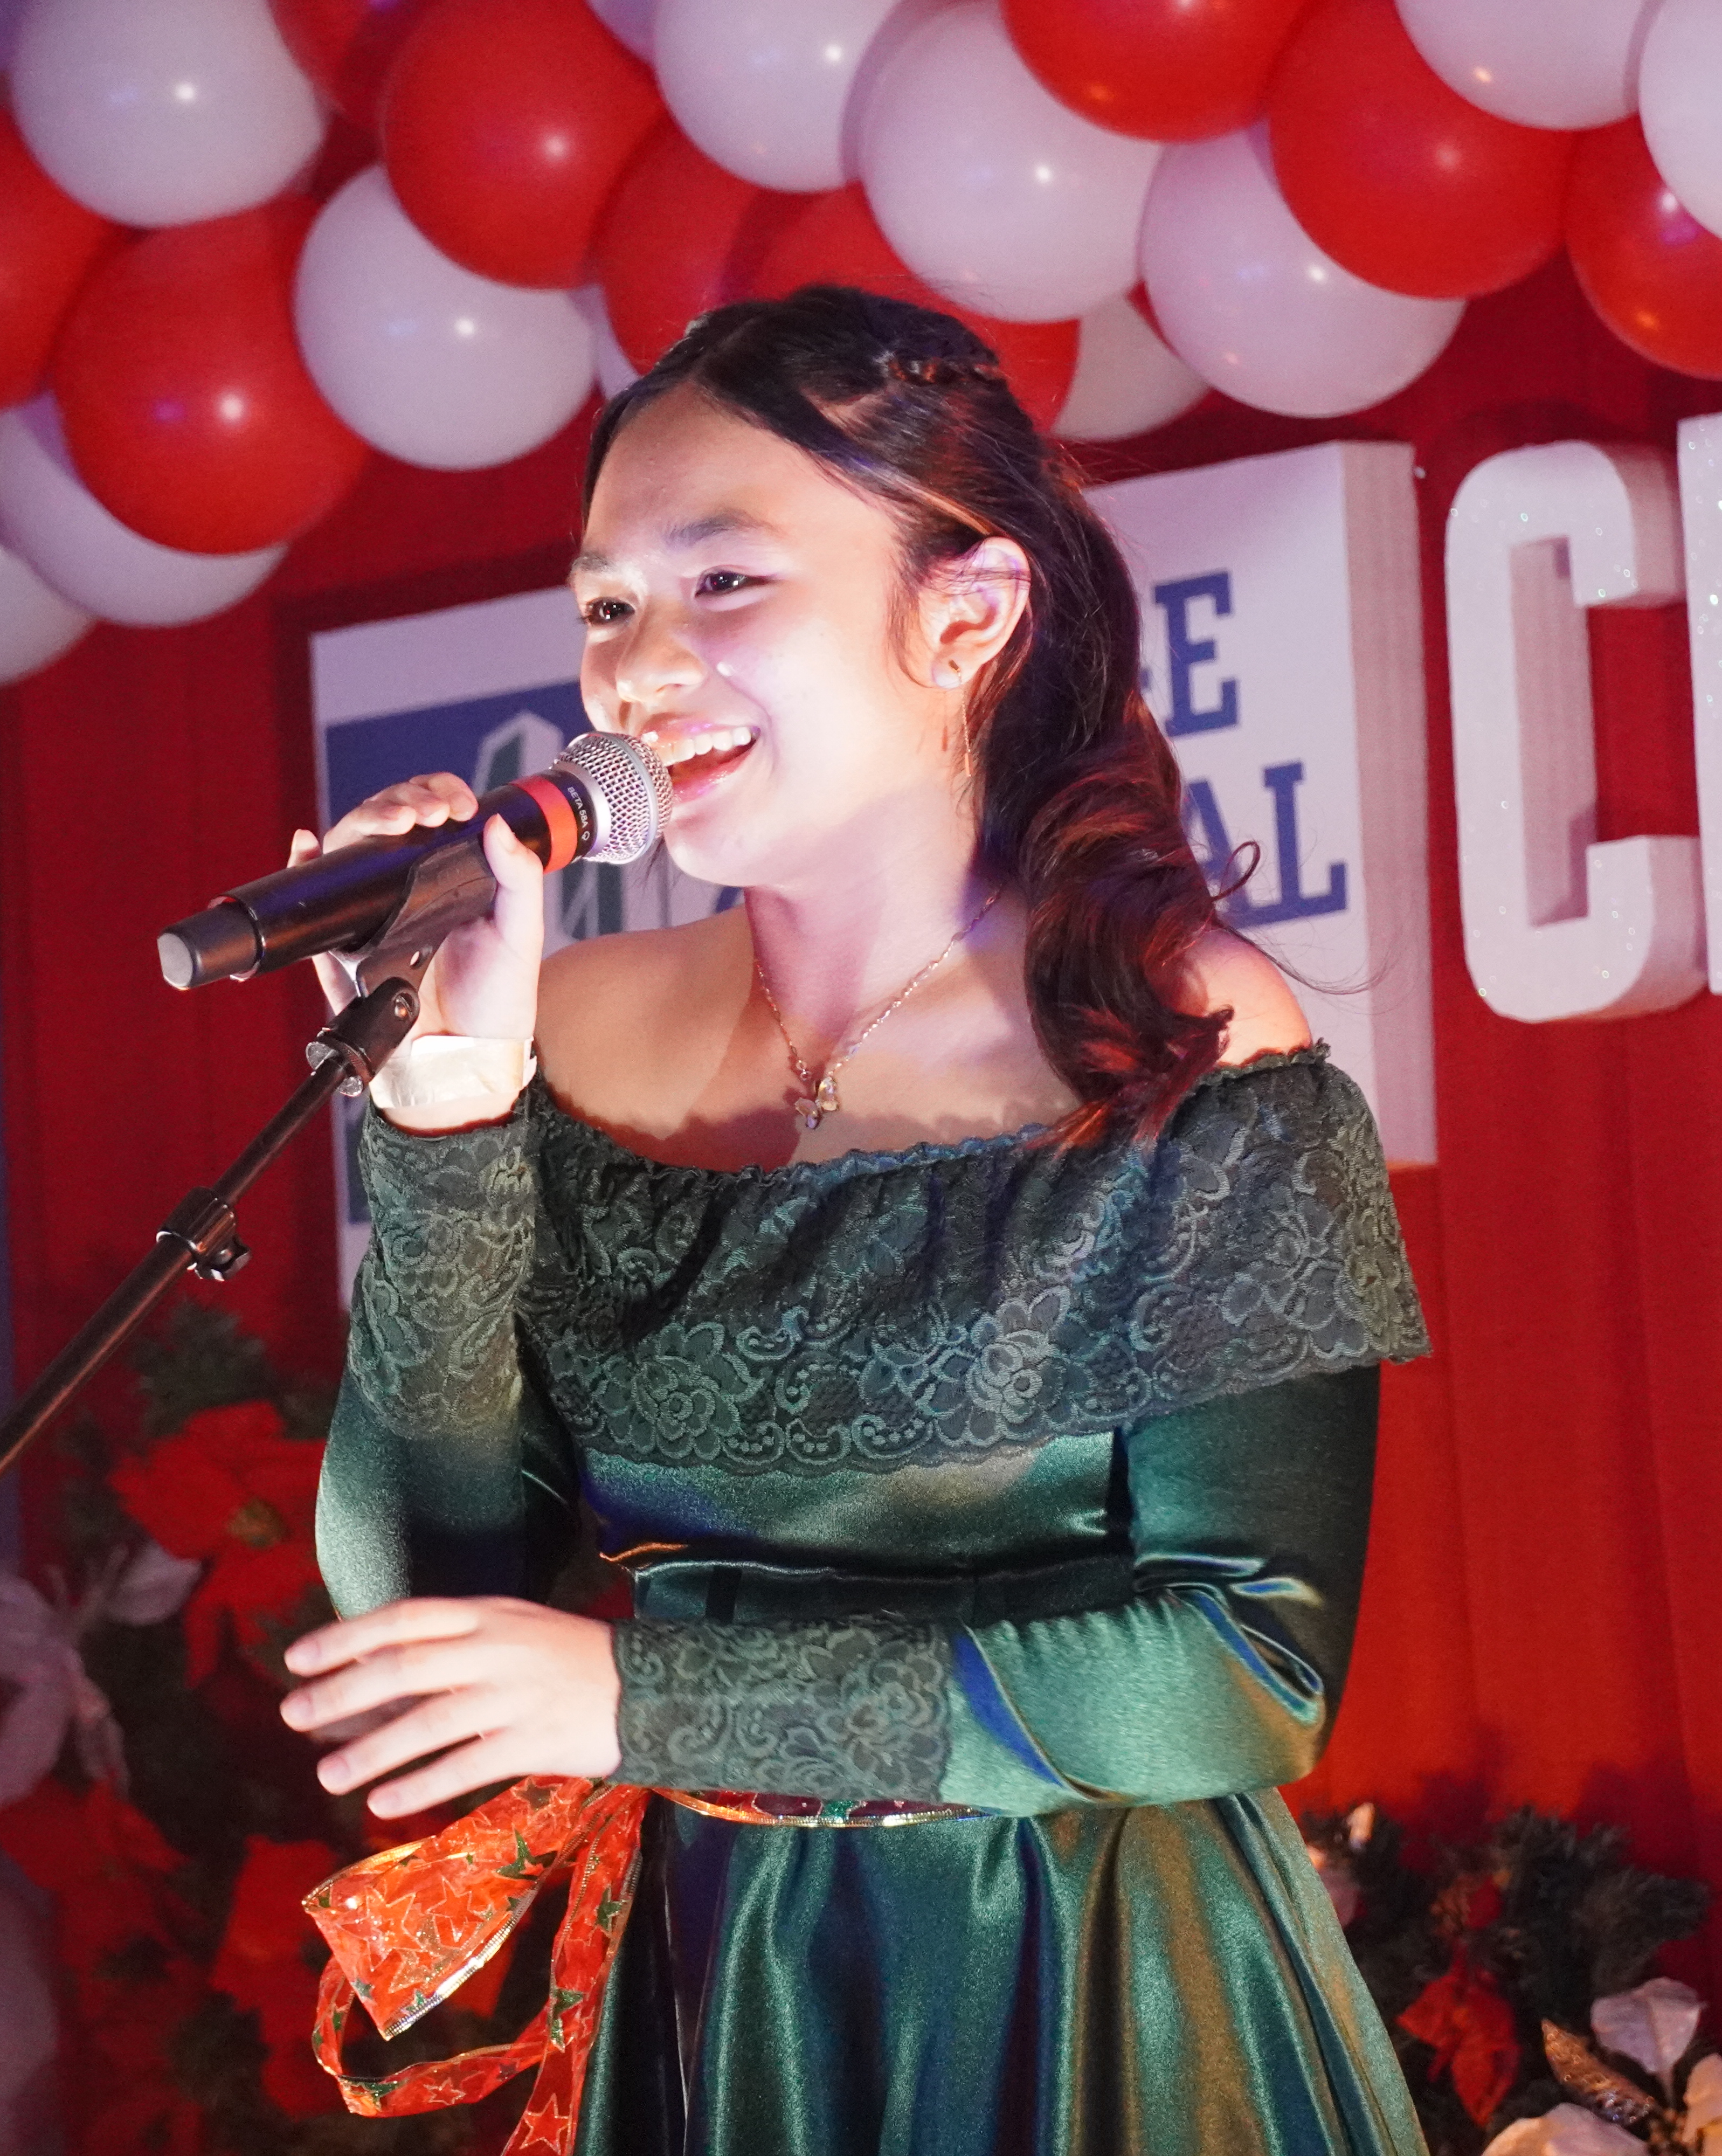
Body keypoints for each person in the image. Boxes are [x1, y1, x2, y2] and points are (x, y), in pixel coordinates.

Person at [274, 284, 1433, 2155]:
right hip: (710, 1995)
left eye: (725, 585)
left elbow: (1245, 1669)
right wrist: (442, 1113)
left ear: (964, 616)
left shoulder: (1182, 1037)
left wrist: (650, 1697)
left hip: (1080, 2002)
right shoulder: (565, 1033)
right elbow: (423, 1596)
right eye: (606, 605)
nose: (643, 669)